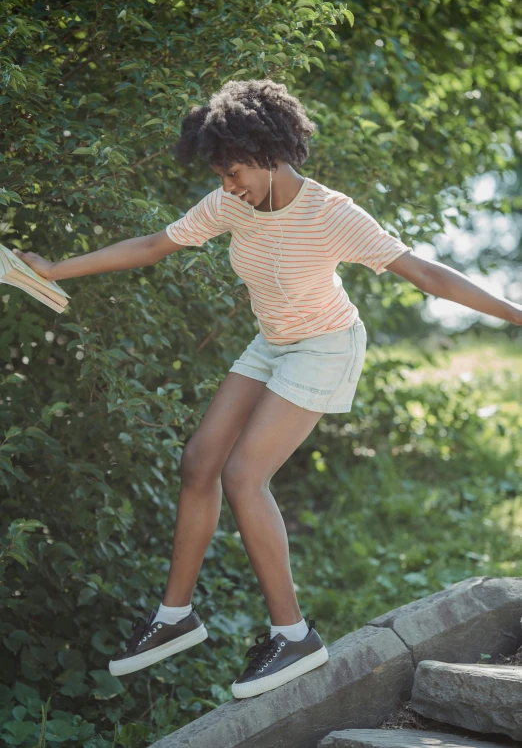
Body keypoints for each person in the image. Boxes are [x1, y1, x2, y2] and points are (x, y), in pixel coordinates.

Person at [14, 79, 522, 699]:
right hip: (272, 343)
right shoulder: (231, 206)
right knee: (199, 461)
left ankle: (294, 634)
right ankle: (173, 619)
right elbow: (154, 246)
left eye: (233, 171)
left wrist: (517, 313)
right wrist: (56, 269)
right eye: (221, 174)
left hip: (327, 346)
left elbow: (425, 274)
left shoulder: (330, 212)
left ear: (268, 151)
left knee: (243, 475)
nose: (227, 185)